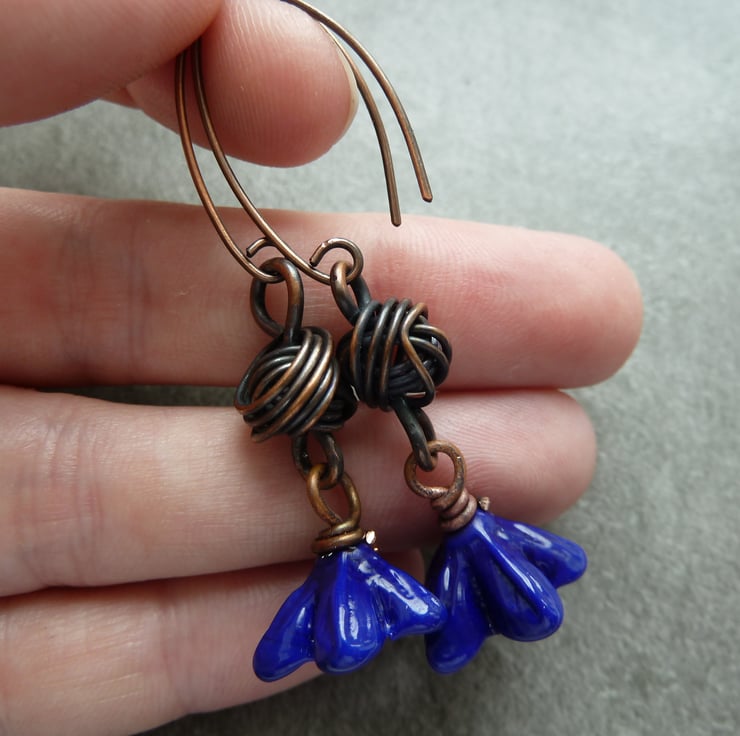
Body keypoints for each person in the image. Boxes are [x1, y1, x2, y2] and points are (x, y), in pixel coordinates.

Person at [0, 1, 642, 733]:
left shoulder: (355, 346)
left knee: (398, 447)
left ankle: (424, 542)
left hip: (353, 362)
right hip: (335, 367)